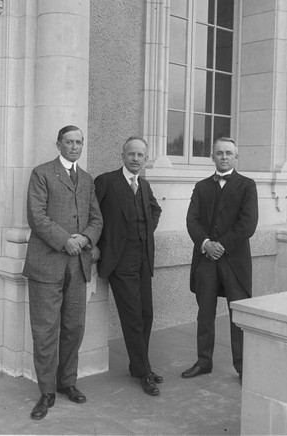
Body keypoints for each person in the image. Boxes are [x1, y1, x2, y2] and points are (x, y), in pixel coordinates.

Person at [23, 125, 103, 420]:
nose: (74, 146)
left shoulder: (87, 179)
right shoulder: (42, 173)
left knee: (73, 327)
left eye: (79, 142)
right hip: (47, 262)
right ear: (58, 144)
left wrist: (85, 239)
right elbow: (36, 216)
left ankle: (67, 382)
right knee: (45, 331)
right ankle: (46, 391)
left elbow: (96, 218)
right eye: (69, 142)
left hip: (78, 264)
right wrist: (65, 240)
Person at [182, 137, 258, 382]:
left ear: (236, 157)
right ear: (212, 157)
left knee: (238, 315)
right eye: (219, 153)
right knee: (205, 313)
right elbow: (191, 220)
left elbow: (248, 224)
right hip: (206, 259)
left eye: (228, 153)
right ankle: (204, 362)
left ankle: (244, 367)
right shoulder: (201, 186)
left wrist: (221, 246)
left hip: (234, 260)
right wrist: (206, 244)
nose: (224, 157)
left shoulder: (247, 185)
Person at [94, 137, 163, 396]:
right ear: (122, 155)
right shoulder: (106, 181)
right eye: (131, 154)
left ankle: (138, 366)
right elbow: (93, 215)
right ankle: (145, 371)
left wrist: (146, 230)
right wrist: (98, 243)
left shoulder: (144, 185)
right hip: (119, 260)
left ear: (146, 159)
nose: (136, 159)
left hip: (143, 257)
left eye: (140, 155)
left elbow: (155, 210)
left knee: (146, 314)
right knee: (133, 316)